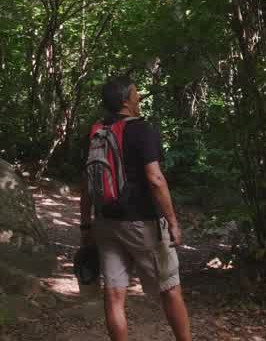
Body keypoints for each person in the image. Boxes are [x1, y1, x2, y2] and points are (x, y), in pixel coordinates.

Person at [79, 76, 192, 341]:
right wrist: (173, 222)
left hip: (105, 223)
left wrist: (86, 225)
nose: (139, 97)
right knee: (170, 288)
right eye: (135, 93)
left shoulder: (95, 132)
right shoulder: (142, 130)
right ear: (125, 100)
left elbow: (85, 183)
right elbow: (155, 178)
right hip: (143, 223)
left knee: (114, 295)